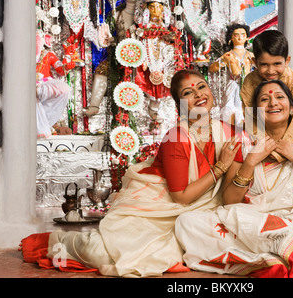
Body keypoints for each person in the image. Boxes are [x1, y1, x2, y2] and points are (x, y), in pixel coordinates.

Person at [20, 69, 244, 278]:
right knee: (104, 252)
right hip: (160, 208)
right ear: (181, 105)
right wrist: (220, 167)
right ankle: (57, 243)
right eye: (188, 92)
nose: (198, 95)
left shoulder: (229, 132)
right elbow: (181, 198)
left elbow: (230, 191)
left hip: (204, 211)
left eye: (201, 87)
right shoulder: (176, 137)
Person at [175, 80, 293, 278]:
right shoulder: (243, 143)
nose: (272, 103)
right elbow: (229, 202)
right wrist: (251, 161)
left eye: (279, 97)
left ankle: (279, 247)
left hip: (289, 223)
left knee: (245, 222)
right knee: (186, 222)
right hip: (246, 223)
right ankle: (274, 256)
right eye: (264, 99)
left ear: (292, 107)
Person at [240, 29, 293, 163]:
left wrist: (284, 149)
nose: (270, 71)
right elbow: (250, 116)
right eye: (264, 65)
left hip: (291, 141)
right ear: (254, 62)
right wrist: (265, 146)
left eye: (277, 64)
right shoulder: (249, 83)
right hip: (258, 141)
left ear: (287, 61)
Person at [209, 23, 255, 127]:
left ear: (247, 37)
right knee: (231, 111)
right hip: (233, 85)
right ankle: (231, 133)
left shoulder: (250, 55)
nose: (239, 37)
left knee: (249, 111)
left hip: (248, 86)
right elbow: (212, 68)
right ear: (230, 38)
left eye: (242, 34)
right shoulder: (229, 55)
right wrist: (224, 61)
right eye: (236, 34)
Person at [36, 31, 75, 138]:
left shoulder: (49, 55)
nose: (36, 41)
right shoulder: (23, 54)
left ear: (45, 40)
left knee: (63, 89)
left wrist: (67, 58)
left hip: (44, 85)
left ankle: (49, 125)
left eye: (38, 38)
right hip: (29, 86)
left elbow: (61, 70)